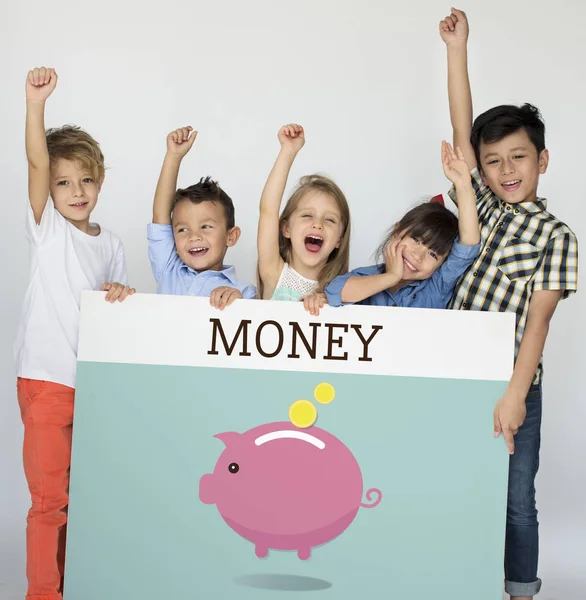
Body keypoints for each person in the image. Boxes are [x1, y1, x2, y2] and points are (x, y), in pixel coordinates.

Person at [440, 8, 579, 599]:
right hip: (453, 372)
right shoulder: (486, 206)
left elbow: (539, 322)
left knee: (516, 497)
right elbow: (461, 124)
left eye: (518, 157)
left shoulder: (557, 236)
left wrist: (515, 396)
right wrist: (457, 49)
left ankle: (520, 589)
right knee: (454, 484)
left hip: (513, 384)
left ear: (541, 160)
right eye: (493, 161)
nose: (505, 170)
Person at [15, 66, 134, 600]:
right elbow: (37, 160)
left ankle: (71, 585)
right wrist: (35, 104)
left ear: (101, 181)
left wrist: (120, 296)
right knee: (49, 502)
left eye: (86, 179)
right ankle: (44, 593)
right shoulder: (47, 230)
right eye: (64, 182)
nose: (76, 191)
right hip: (45, 382)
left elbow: (116, 309)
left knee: (80, 500)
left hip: (91, 388)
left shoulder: (110, 244)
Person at [325, 141, 480, 308]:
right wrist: (392, 276)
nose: (418, 256)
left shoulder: (436, 288)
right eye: (417, 240)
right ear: (397, 231)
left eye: (433, 255)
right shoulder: (364, 277)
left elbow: (468, 246)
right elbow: (335, 292)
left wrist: (463, 185)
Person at [147, 126, 256, 308]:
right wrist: (173, 157)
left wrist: (239, 305)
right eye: (182, 229)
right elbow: (160, 215)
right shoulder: (169, 269)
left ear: (231, 236)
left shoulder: (244, 291)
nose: (194, 236)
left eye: (205, 226)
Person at [256, 123, 351, 314]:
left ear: (339, 239)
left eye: (330, 220)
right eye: (307, 215)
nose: (317, 224)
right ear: (286, 229)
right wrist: (288, 151)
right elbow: (268, 210)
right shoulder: (275, 274)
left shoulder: (341, 292)